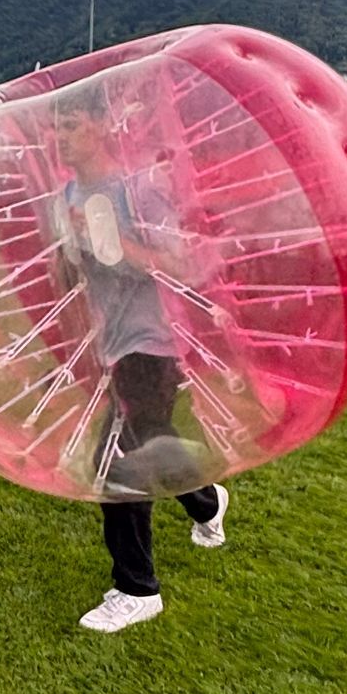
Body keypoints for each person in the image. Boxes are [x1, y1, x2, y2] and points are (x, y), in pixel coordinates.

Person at [55, 93, 230, 634]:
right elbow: (77, 274)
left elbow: (183, 264)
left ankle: (137, 589)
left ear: (104, 126)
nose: (59, 135)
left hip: (153, 344)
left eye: (72, 124)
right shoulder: (67, 192)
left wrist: (113, 243)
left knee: (119, 466)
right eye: (54, 125)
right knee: (151, 437)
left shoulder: (138, 191)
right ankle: (205, 501)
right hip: (112, 343)